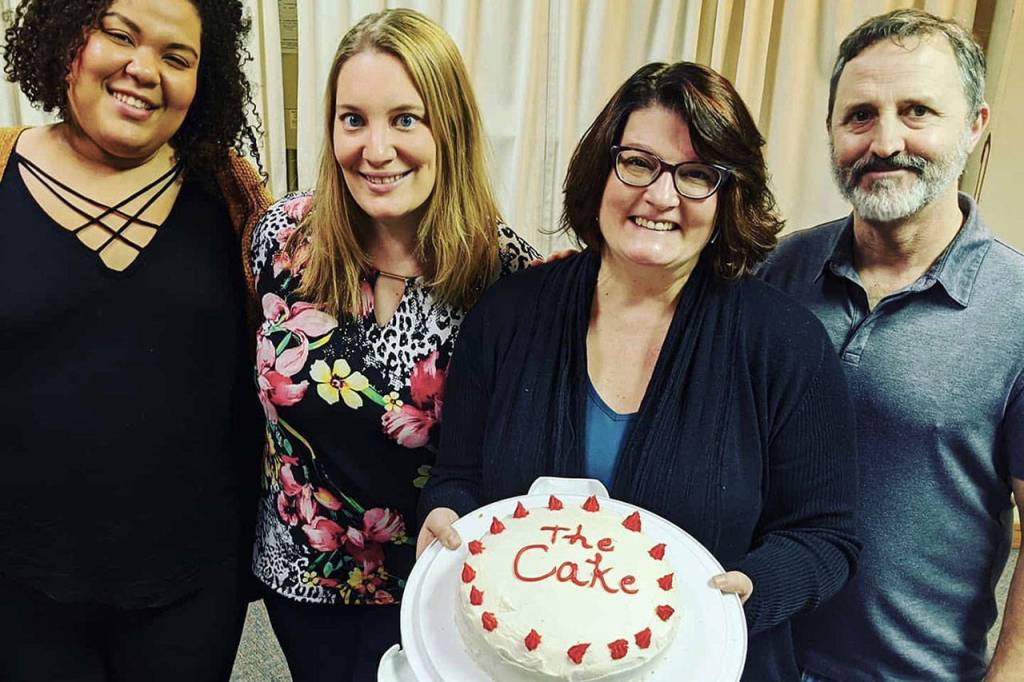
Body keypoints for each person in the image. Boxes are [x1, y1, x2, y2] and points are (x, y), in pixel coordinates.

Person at [418, 60, 860, 681]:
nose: (660, 195)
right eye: (638, 162)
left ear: (729, 197)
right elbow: (459, 476)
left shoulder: (785, 344)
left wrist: (750, 589)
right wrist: (446, 513)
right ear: (602, 170)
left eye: (697, 174)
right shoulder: (508, 314)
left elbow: (826, 534)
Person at [248, 9, 538, 681]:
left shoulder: (503, 273)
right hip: (300, 573)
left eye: (405, 119)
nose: (375, 150)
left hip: (435, 583)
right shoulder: (283, 238)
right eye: (353, 120)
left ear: (449, 128)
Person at [0, 0, 268, 680]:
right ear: (67, 37)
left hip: (191, 587)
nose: (144, 70)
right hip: (17, 586)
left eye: (177, 57)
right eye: (120, 35)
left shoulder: (231, 194)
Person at [757, 9, 1024, 682]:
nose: (885, 142)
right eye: (860, 116)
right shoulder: (778, 272)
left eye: (917, 112)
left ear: (974, 126)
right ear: (831, 129)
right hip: (749, 653)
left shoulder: (1019, 309)